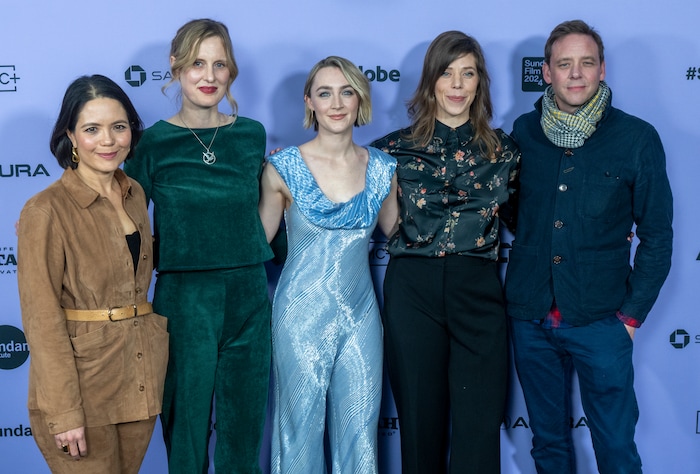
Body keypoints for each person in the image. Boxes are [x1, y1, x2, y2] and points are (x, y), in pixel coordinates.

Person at [506, 19, 673, 474]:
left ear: (602, 70)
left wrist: (631, 318)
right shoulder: (523, 132)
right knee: (548, 445)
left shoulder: (637, 138)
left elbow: (657, 235)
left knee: (616, 449)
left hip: (603, 320)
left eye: (586, 63)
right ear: (547, 73)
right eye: (565, 64)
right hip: (530, 316)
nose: (575, 74)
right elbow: (512, 212)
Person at [123, 19, 272, 474]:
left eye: (219, 64)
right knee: (185, 429)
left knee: (244, 429)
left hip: (249, 292)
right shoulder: (151, 144)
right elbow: (126, 226)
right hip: (184, 299)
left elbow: (266, 214)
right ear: (175, 67)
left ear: (231, 72)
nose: (208, 76)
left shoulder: (251, 135)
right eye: (197, 64)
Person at [370, 31, 519, 474]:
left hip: (478, 291)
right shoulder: (389, 151)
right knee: (418, 426)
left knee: (478, 432)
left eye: (467, 73)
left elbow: (533, 222)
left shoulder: (506, 151)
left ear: (480, 83)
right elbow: (355, 206)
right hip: (413, 291)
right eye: (447, 72)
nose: (457, 84)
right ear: (431, 80)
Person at [17, 74, 169, 474]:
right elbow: (41, 319)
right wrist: (65, 412)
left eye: (119, 127)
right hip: (82, 389)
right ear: (70, 134)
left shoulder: (134, 192)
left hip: (138, 378)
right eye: (92, 129)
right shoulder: (44, 210)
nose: (108, 140)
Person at [258, 55, 398, 474]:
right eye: (325, 93)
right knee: (298, 431)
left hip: (361, 315)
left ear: (359, 100)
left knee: (360, 428)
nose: (336, 103)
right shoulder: (282, 167)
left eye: (346, 91)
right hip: (299, 317)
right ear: (310, 102)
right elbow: (255, 244)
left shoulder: (383, 168)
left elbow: (402, 235)